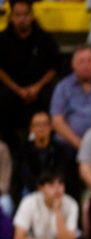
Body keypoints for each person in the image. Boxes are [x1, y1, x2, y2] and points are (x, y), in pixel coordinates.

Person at [0, 0, 60, 145]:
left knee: (53, 95)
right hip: (12, 90)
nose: (22, 19)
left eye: (25, 15)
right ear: (12, 17)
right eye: (18, 15)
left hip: (39, 90)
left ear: (32, 16)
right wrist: (18, 90)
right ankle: (9, 147)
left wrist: (37, 87)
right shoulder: (3, 39)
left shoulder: (44, 38)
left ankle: (48, 146)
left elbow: (54, 67)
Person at [49, 45, 91, 151]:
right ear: (73, 64)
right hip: (68, 146)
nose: (86, 65)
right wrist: (81, 145)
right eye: (81, 61)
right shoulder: (63, 87)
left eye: (90, 61)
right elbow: (57, 121)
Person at [12, 110, 78, 201]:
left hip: (56, 193)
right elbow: (20, 179)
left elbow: (63, 176)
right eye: (37, 125)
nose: (41, 128)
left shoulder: (61, 151)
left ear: (51, 127)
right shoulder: (22, 152)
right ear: (31, 128)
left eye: (44, 124)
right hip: (31, 193)